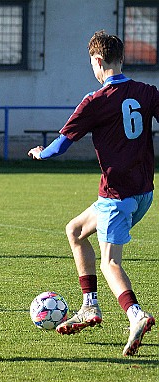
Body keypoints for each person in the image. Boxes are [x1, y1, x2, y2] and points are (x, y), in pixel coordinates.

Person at [28, 30, 158, 356]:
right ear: (121, 58)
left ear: (98, 61)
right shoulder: (146, 92)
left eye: (92, 63)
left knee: (110, 263)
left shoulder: (95, 101)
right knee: (75, 230)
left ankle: (135, 314)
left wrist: (42, 153)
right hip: (143, 192)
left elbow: (61, 145)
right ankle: (90, 307)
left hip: (117, 195)